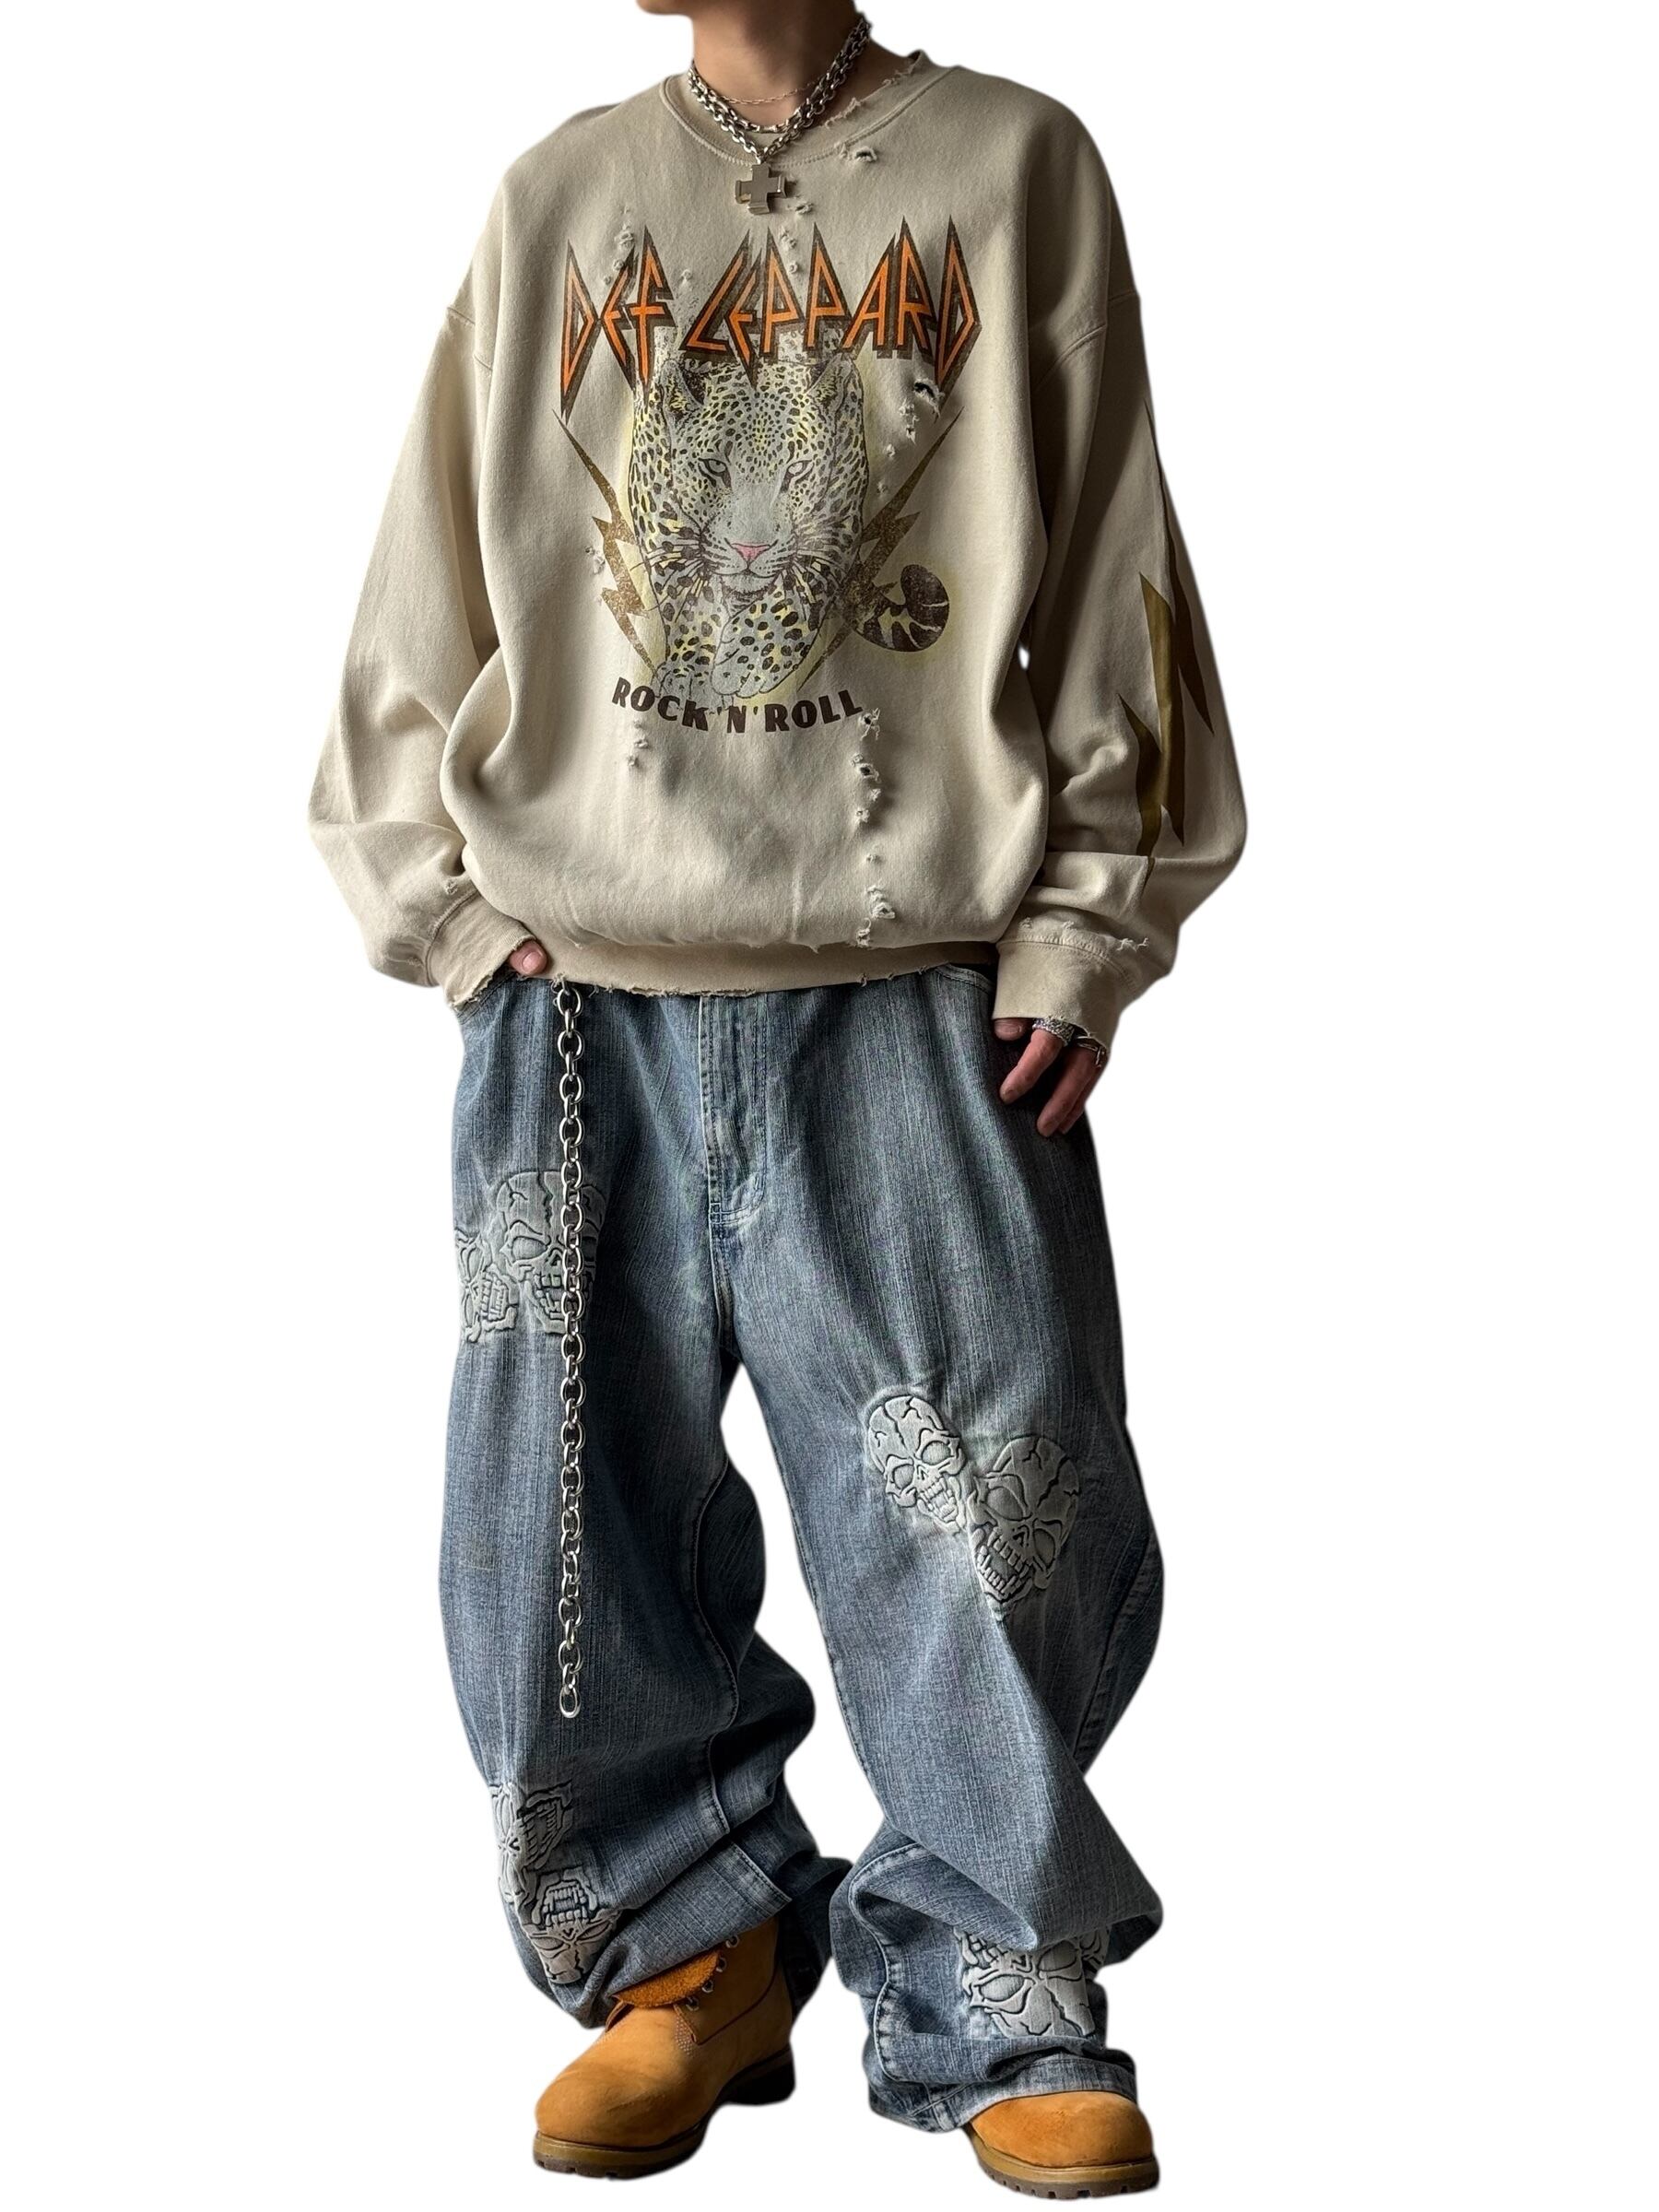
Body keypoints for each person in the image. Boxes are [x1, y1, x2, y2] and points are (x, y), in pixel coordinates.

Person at [310, 0, 1243, 2193]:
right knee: (554, 1525)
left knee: (995, 1505)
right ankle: (691, 1952)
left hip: (916, 981)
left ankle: (1001, 1982)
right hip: (578, 1001)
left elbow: (1110, 553)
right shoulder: (564, 195)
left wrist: (1089, 920)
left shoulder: (1012, 166)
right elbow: (428, 576)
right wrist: (443, 902)